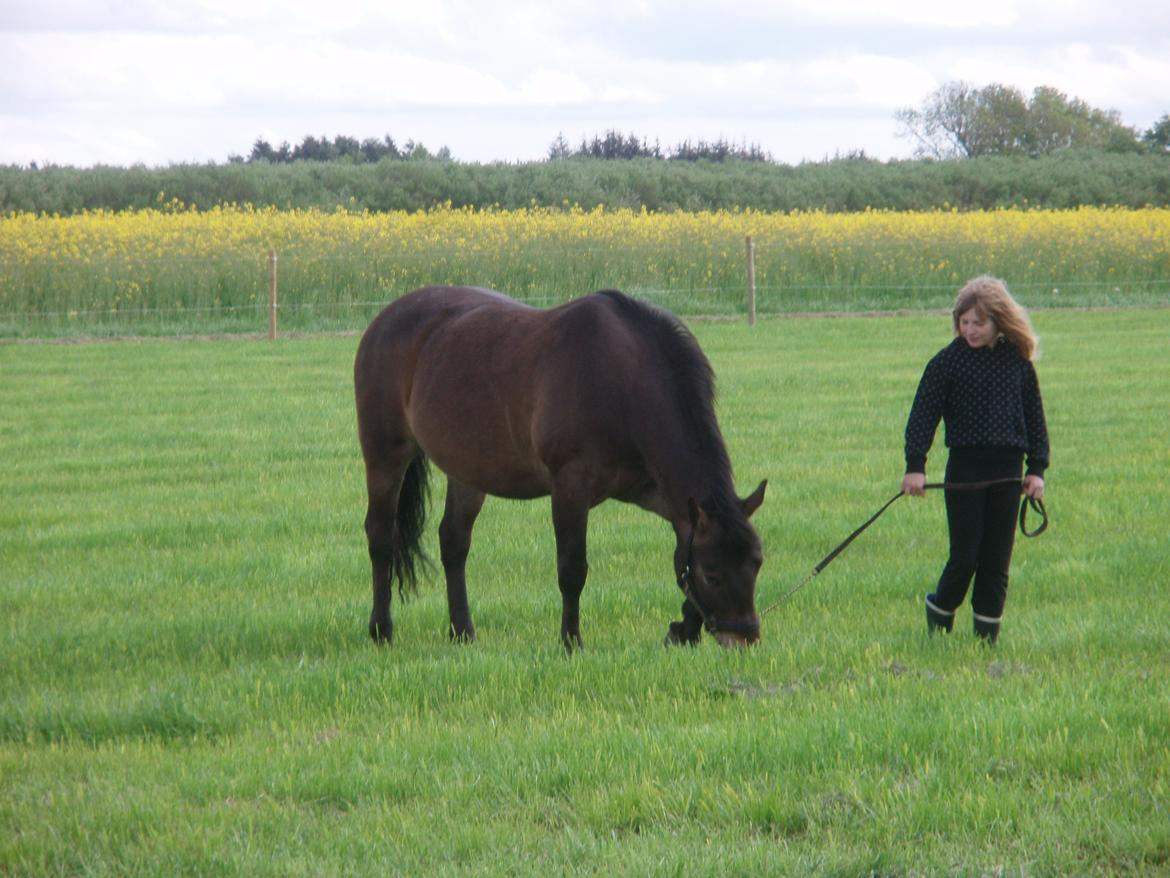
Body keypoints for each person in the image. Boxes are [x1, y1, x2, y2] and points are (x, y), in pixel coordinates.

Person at [902, 276, 1049, 644]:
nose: (969, 329)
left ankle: (986, 640)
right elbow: (922, 416)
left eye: (978, 323)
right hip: (965, 471)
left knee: (996, 561)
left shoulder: (1017, 363)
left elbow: (1035, 418)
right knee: (965, 556)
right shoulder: (947, 363)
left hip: (1007, 473)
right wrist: (915, 466)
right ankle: (939, 621)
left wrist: (1036, 470)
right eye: (964, 322)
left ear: (998, 321)